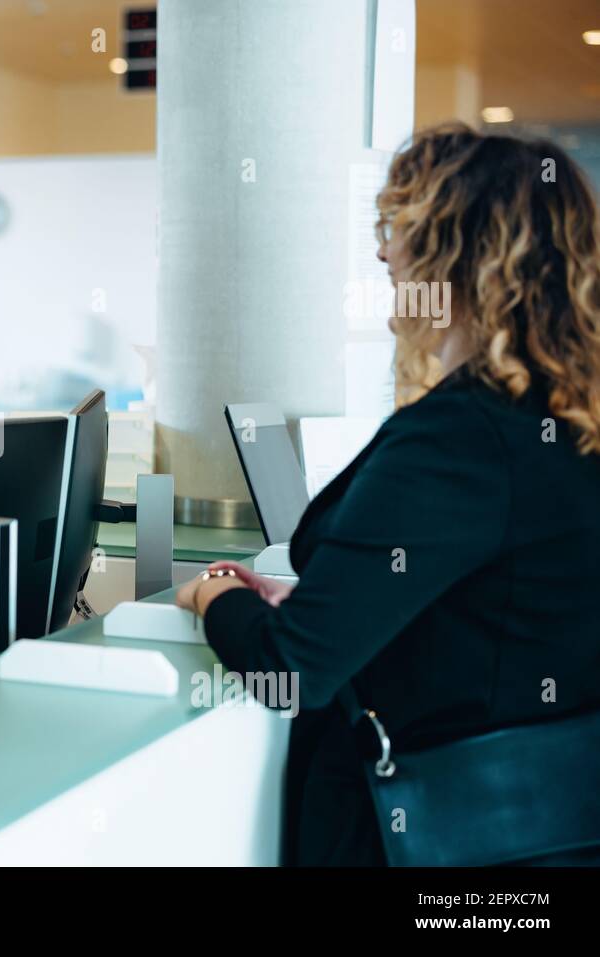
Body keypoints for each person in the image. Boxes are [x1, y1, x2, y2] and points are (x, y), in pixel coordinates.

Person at [175, 123, 600, 865]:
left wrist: (213, 595)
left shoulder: (462, 437)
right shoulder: (566, 415)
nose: (382, 253)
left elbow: (291, 672)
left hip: (441, 835)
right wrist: (339, 598)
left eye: (399, 229)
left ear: (459, 254)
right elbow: (505, 607)